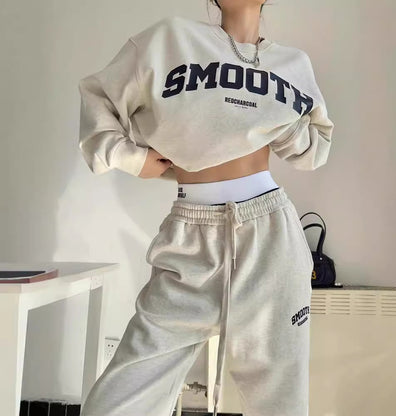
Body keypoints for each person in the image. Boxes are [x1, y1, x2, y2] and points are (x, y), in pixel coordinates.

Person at [77, 1, 334, 415]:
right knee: (116, 404)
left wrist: (280, 122)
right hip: (189, 239)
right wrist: (132, 159)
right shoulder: (169, 41)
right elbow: (98, 98)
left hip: (270, 237)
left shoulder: (293, 64)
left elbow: (315, 148)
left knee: (281, 405)